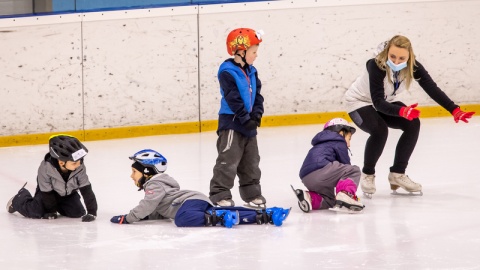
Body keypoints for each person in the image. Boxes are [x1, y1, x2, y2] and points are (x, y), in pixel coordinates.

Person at [343, 35, 475, 197]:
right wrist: (401, 111)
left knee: (412, 123)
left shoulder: (413, 66)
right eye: (392, 56)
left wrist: (454, 110)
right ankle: (368, 174)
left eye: (401, 58)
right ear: (386, 53)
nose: (397, 61)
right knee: (379, 130)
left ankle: (397, 174)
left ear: (409, 56)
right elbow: (377, 102)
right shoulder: (376, 65)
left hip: (385, 101)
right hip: (359, 102)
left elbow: (431, 87)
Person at [110, 149, 290, 228]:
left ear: (147, 171)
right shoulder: (159, 186)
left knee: (181, 220)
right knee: (226, 212)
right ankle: (267, 215)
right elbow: (158, 209)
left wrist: (128, 218)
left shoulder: (154, 185)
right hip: (196, 201)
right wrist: (147, 216)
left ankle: (218, 218)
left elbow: (148, 204)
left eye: (134, 171)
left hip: (188, 204)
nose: (132, 176)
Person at [208, 28, 266, 208]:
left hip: (248, 122)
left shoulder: (252, 71)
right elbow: (232, 98)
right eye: (253, 52)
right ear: (240, 51)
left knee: (251, 161)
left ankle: (252, 194)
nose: (256, 56)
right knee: (228, 159)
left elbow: (257, 95)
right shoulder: (227, 72)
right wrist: (243, 117)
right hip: (232, 122)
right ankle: (220, 194)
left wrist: (256, 114)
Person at [6, 134, 97, 222]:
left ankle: (59, 205)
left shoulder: (79, 166)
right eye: (74, 163)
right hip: (48, 194)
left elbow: (86, 189)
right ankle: (19, 198)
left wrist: (92, 212)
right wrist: (51, 211)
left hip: (68, 193)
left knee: (77, 213)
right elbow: (47, 192)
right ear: (62, 163)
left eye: (80, 160)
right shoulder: (45, 168)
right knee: (36, 212)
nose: (79, 164)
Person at [292, 118, 365, 213]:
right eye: (349, 138)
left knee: (330, 201)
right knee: (353, 170)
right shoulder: (339, 141)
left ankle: (309, 197)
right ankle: (345, 195)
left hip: (306, 177)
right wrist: (346, 190)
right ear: (341, 132)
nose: (349, 144)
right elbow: (345, 164)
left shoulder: (321, 143)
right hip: (323, 170)